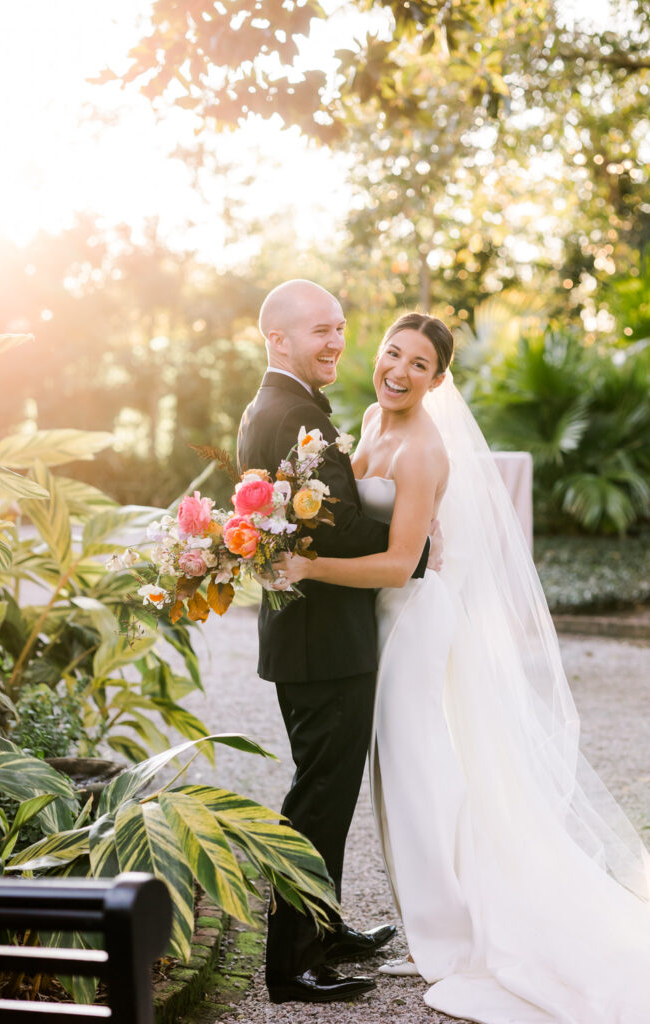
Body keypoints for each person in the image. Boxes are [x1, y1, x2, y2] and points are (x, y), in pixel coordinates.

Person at [278, 311, 650, 1024]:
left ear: (438, 379)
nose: (398, 370)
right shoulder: (370, 419)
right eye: (393, 353)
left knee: (419, 772)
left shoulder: (424, 449)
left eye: (419, 364)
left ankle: (450, 930)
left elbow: (399, 564)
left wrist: (309, 566)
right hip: (375, 622)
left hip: (412, 619)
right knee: (398, 773)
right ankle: (431, 915)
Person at [236, 281, 435, 1004]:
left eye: (341, 327)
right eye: (320, 329)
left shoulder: (277, 406)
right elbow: (338, 528)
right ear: (278, 339)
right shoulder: (293, 414)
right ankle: (292, 965)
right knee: (319, 800)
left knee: (324, 792)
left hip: (309, 635)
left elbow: (308, 519)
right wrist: (419, 544)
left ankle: (323, 929)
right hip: (324, 642)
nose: (336, 342)